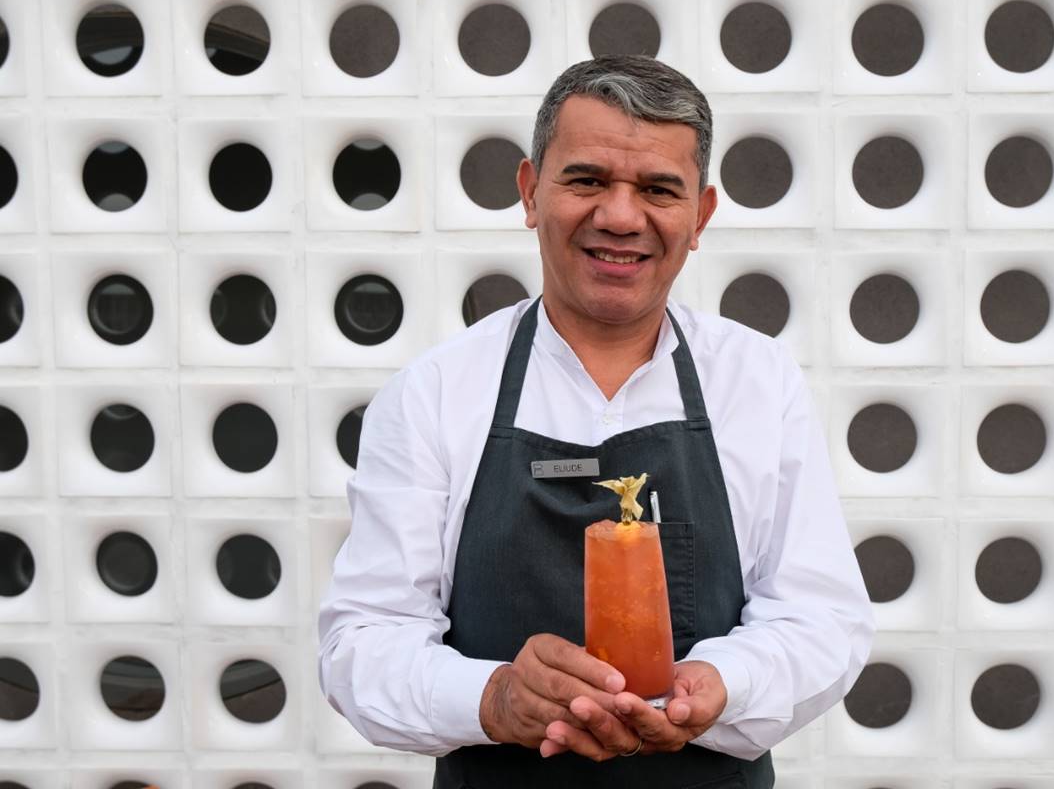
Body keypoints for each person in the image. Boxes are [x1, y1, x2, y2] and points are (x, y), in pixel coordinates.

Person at [317, 55, 874, 788]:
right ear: (529, 192)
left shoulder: (756, 382)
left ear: (700, 216)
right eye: (586, 180)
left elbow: (822, 618)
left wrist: (718, 682)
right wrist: (495, 698)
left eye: (657, 189)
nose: (619, 215)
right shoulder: (437, 392)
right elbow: (363, 642)